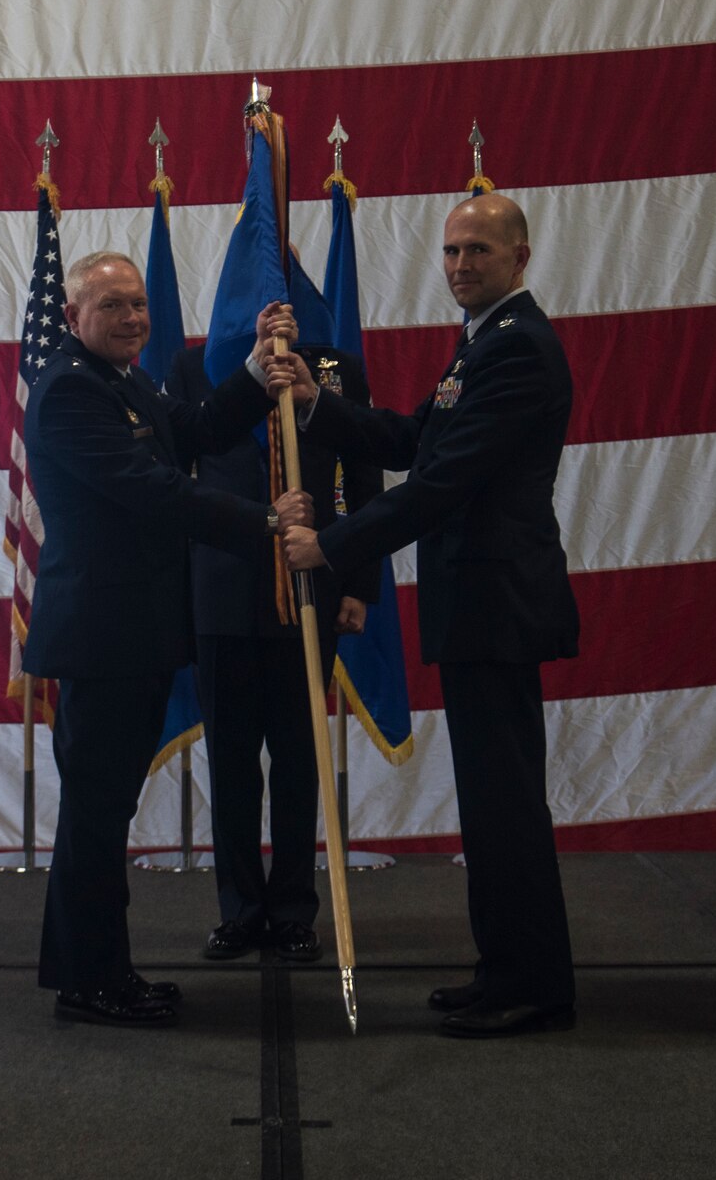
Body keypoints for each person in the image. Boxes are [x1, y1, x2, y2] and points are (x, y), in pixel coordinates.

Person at [282, 192, 579, 1038]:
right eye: (450, 250)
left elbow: (445, 485)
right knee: (487, 801)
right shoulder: (480, 343)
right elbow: (418, 439)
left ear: (520, 257)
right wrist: (316, 403)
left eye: (478, 251)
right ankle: (504, 969)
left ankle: (534, 984)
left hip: (500, 602)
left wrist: (332, 543)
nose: (458, 265)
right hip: (476, 600)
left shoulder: (518, 349)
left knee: (508, 801)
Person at [23, 250, 314, 1028]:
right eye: (113, 305)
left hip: (134, 634)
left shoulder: (125, 381)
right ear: (73, 314)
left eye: (139, 304)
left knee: (105, 810)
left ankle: (96, 968)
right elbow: (150, 490)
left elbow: (191, 430)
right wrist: (261, 522)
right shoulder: (69, 392)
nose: (133, 318)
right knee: (95, 815)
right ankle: (91, 982)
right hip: (100, 638)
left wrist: (254, 371)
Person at [163, 321, 381, 965]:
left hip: (312, 583)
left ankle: (291, 910)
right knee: (229, 763)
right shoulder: (194, 368)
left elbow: (361, 475)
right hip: (222, 588)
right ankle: (239, 910)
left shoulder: (336, 368)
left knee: (296, 761)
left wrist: (358, 582)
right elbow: (182, 470)